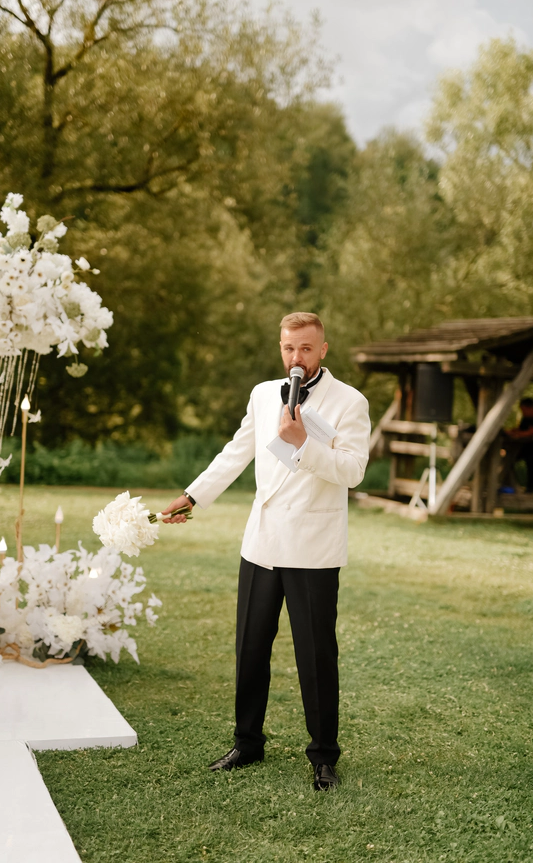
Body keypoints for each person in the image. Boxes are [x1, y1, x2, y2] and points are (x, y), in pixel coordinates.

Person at [161, 312, 370, 790]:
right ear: (281, 348)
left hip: (313, 549)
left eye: (306, 349)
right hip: (262, 543)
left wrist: (303, 444)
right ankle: (247, 742)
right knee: (250, 648)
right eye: (288, 348)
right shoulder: (261, 394)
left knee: (316, 657)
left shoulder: (350, 401)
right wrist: (192, 496)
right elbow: (236, 452)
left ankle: (323, 756)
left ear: (323, 350)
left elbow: (353, 471)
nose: (296, 357)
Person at [504, 397, 533, 493]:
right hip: (529, 447)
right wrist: (513, 432)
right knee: (510, 457)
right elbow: (522, 430)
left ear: (531, 408)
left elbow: (531, 432)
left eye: (524, 410)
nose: (523, 412)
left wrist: (519, 434)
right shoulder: (526, 419)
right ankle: (509, 483)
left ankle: (530, 487)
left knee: (530, 458)